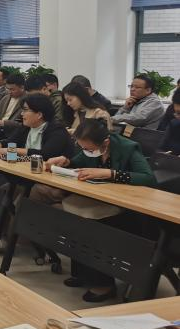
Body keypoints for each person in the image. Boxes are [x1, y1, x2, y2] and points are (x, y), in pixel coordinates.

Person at [44, 119, 156, 302]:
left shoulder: (128, 148)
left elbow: (148, 178)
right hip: (101, 201)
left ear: (105, 142)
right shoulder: (89, 148)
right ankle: (83, 274)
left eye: (89, 148)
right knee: (74, 220)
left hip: (128, 210)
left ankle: (104, 284)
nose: (86, 151)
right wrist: (65, 161)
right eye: (82, 147)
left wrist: (110, 173)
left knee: (93, 228)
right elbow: (77, 162)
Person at [0, 94, 74, 253]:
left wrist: (12, 151)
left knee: (24, 198)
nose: (22, 114)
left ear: (39, 114)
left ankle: (10, 241)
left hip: (52, 183)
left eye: (26, 110)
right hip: (30, 178)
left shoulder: (57, 131)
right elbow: (9, 143)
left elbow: (45, 155)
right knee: (7, 190)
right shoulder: (26, 128)